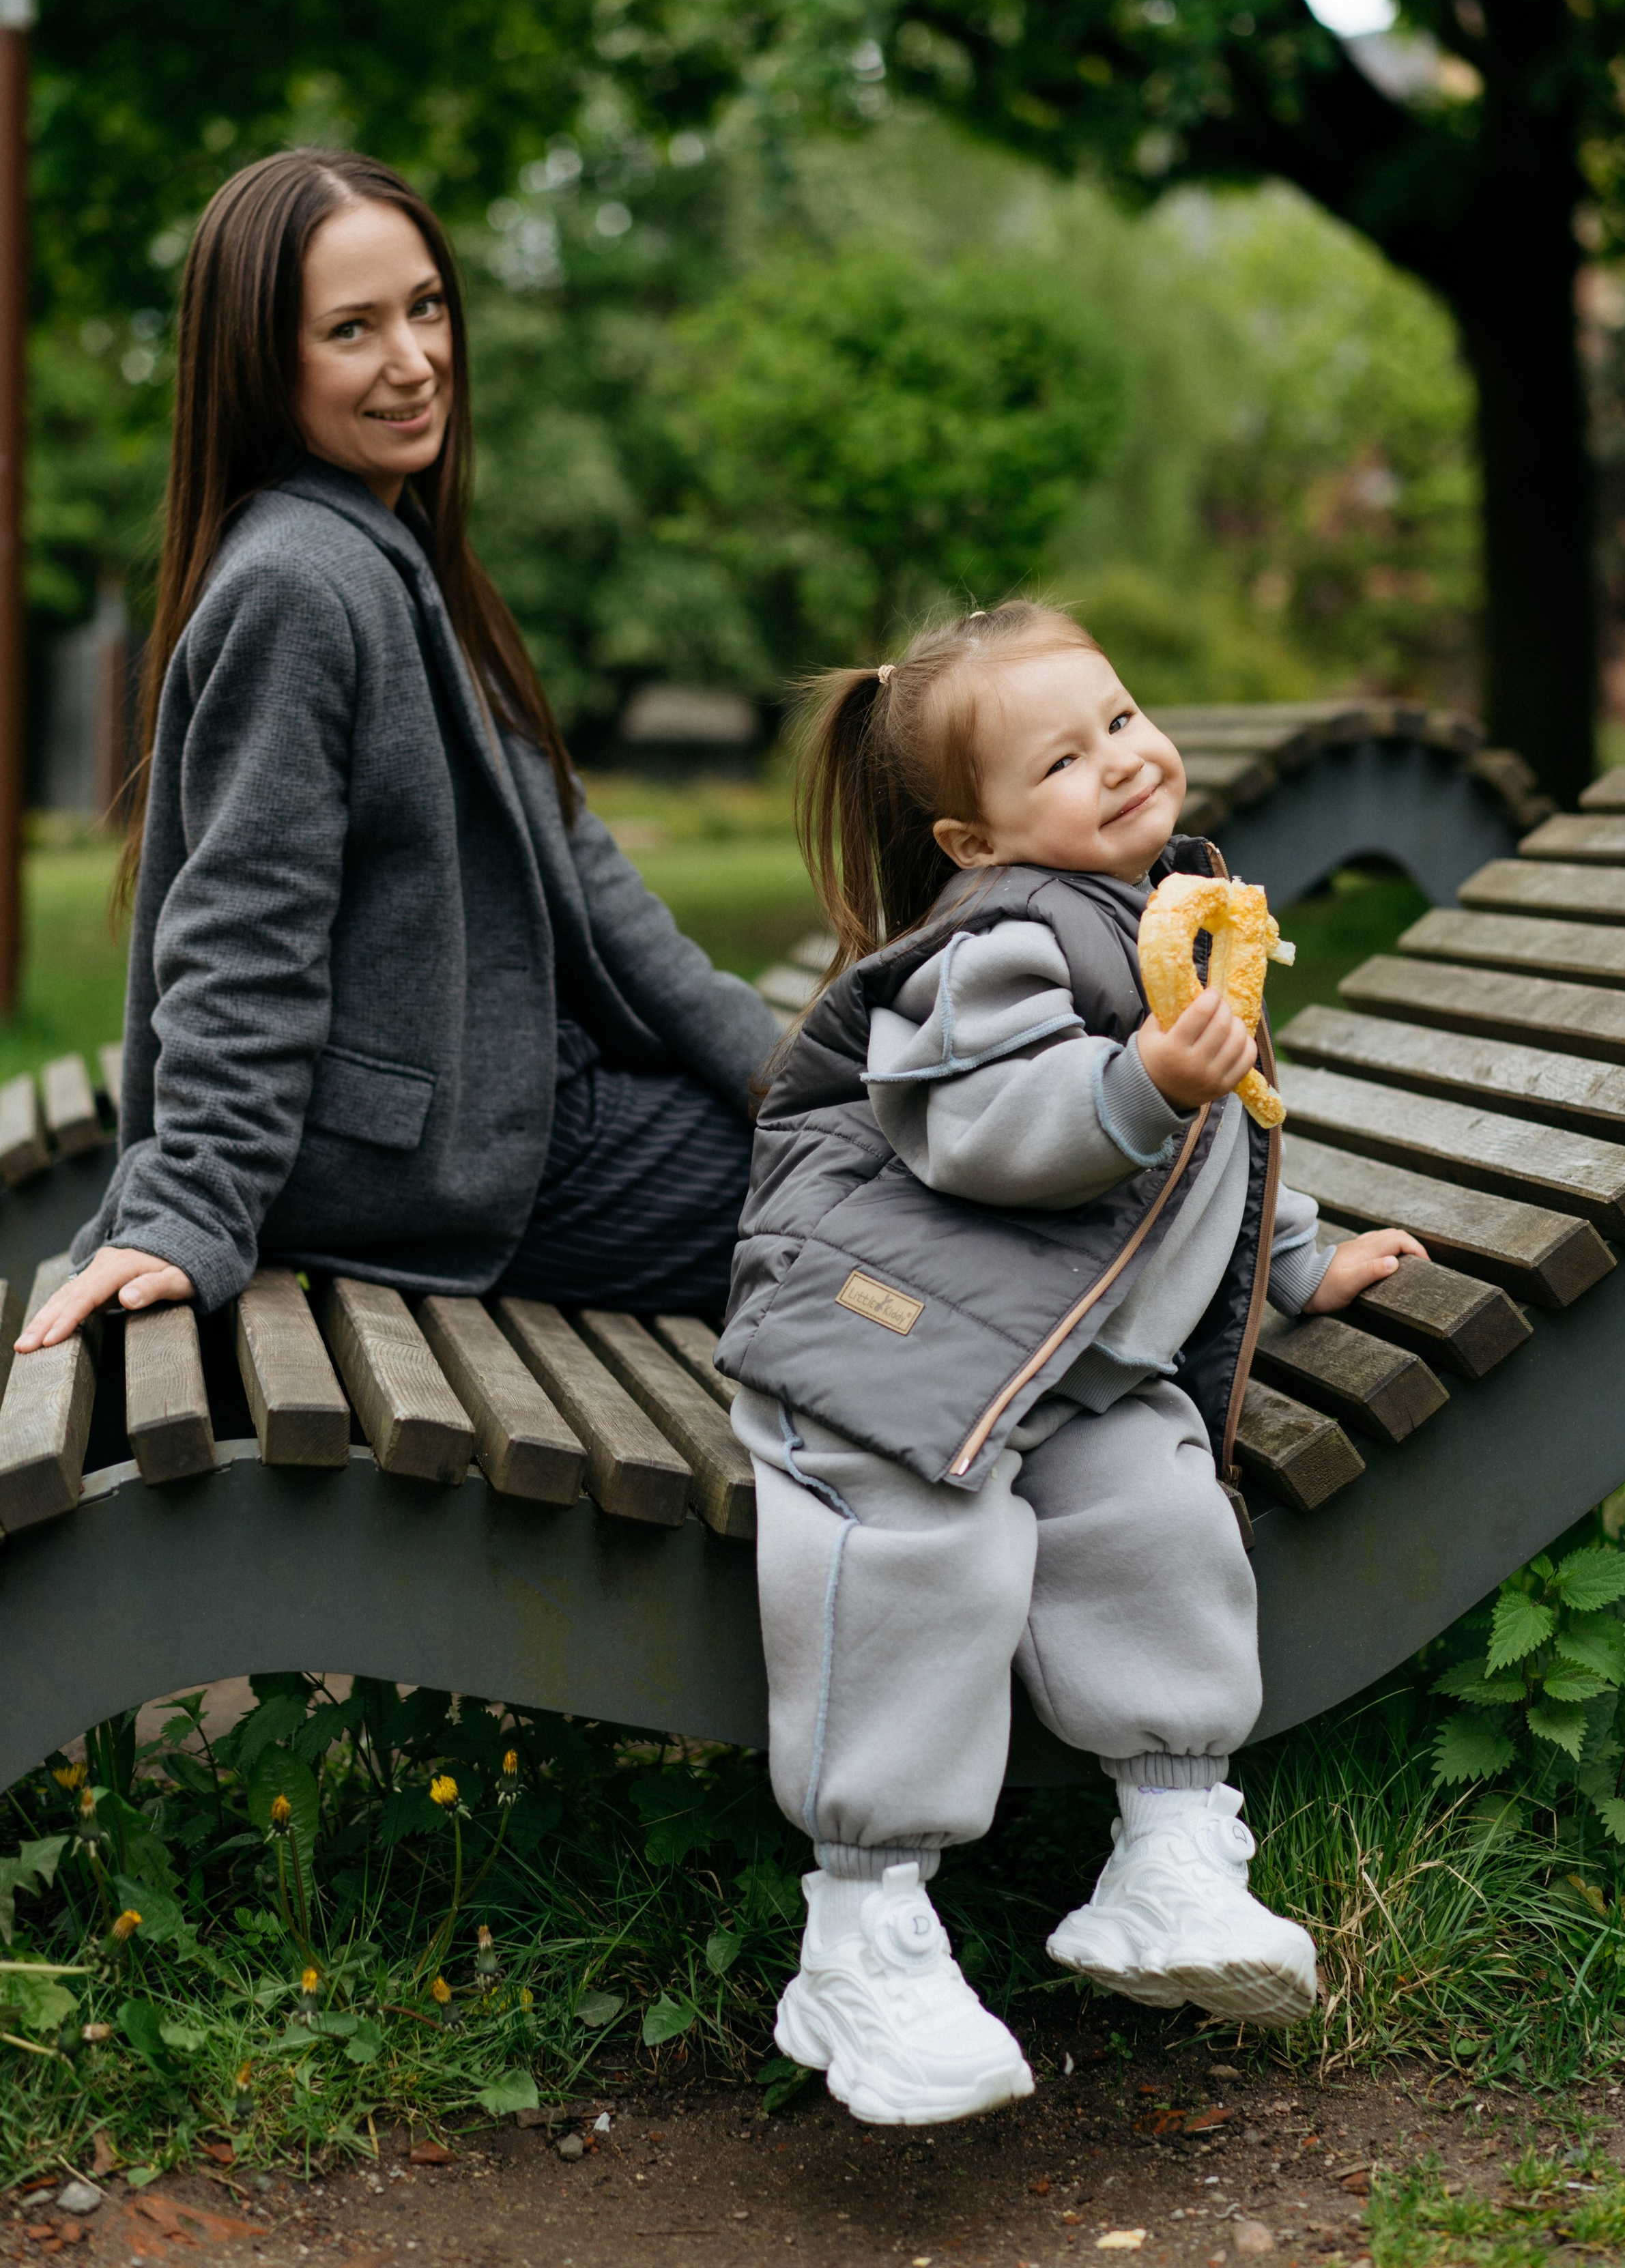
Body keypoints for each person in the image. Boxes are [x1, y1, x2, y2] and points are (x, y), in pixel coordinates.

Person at [717, 602, 1426, 2129]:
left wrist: (1300, 1257)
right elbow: (988, 1134)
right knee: (926, 1554)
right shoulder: (1000, 943)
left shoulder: (1172, 908)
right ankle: (861, 1930)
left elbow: (1209, 1150)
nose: (1115, 762)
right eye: (1060, 758)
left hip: (1058, 1368)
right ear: (976, 839)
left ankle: (1168, 1851)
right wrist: (1130, 1085)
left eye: (1116, 719)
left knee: (1159, 1514)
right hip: (885, 1345)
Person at [18, 149, 775, 1360]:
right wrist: (192, 1202)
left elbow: (580, 866)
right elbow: (243, 927)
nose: (413, 361)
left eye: (425, 308)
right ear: (264, 362)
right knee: (889, 1208)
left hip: (511, 1101)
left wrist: (773, 1070)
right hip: (448, 1157)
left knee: (872, 1149)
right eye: (351, 330)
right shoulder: (300, 586)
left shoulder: (392, 546)